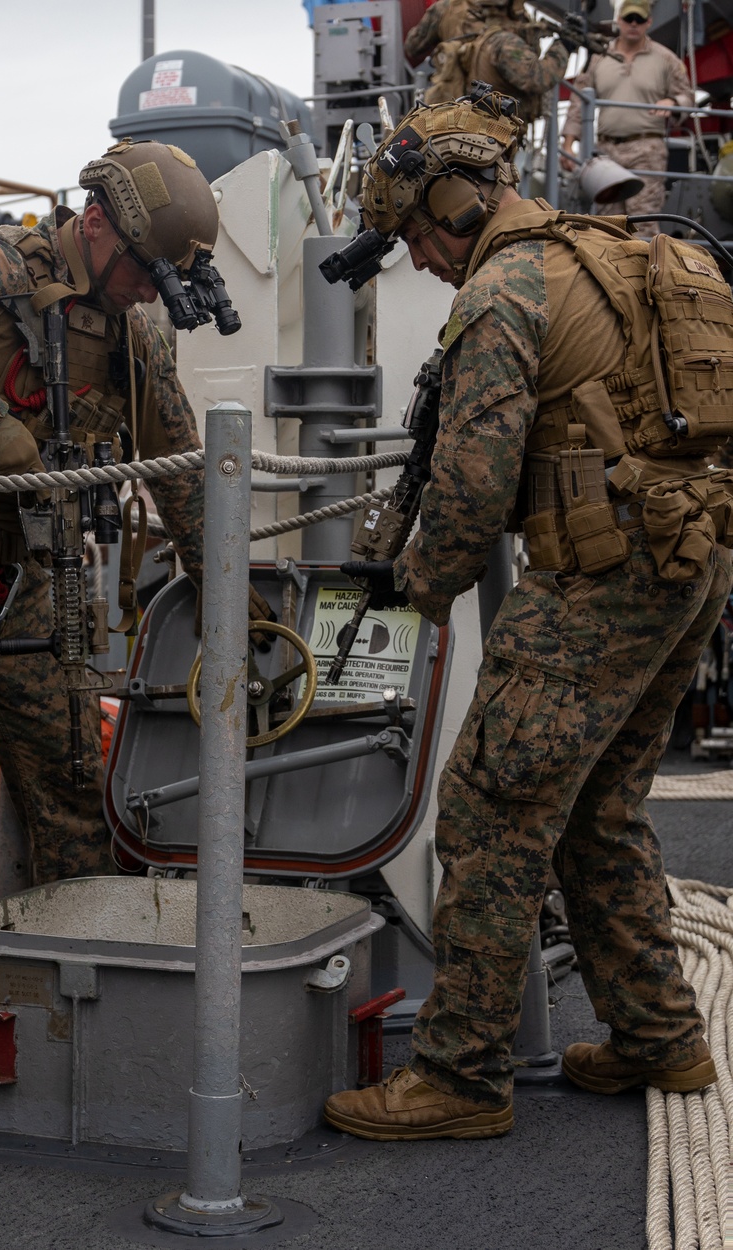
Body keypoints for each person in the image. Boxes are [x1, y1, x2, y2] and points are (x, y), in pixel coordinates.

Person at [0, 139, 263, 1148]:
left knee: (72, 790)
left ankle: (72, 1027)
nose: (136, 296)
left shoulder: (137, 323)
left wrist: (232, 589)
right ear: (97, 223)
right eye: (133, 272)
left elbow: (182, 467)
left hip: (43, 590)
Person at [323, 86, 733, 1140]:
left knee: (489, 812)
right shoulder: (603, 252)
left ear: (454, 202)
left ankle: (459, 1074)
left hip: (596, 579)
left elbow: (467, 492)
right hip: (690, 564)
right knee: (597, 810)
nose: (415, 257)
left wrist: (412, 585)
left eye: (413, 232)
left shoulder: (505, 290)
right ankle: (657, 1033)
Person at [561, 0, 693, 236]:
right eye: (629, 18)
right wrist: (568, 143)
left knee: (643, 223)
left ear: (648, 22)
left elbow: (687, 95)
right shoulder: (599, 59)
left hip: (647, 151)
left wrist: (673, 103)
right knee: (606, 225)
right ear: (618, 21)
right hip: (606, 151)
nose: (634, 24)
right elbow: (578, 101)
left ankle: (647, 271)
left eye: (639, 19)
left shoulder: (666, 59)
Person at [404, 0, 576, 122]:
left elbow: (413, 46)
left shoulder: (446, 8)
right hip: (493, 115)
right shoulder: (518, 15)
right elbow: (535, 73)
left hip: (462, 112)